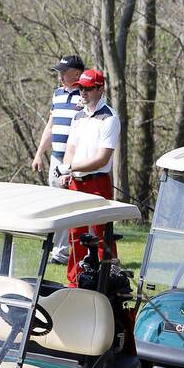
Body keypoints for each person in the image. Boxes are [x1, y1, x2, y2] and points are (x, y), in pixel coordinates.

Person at [54, 68, 119, 287]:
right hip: (76, 183)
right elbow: (71, 147)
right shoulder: (79, 115)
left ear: (100, 89)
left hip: (98, 182)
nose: (83, 92)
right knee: (76, 235)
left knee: (102, 236)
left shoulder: (109, 118)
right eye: (81, 87)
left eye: (89, 88)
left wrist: (69, 167)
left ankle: (108, 281)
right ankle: (75, 282)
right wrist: (66, 169)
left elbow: (102, 159)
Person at [32, 55, 85, 265]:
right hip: (57, 158)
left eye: (64, 73)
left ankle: (76, 252)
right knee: (57, 204)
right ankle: (60, 252)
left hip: (78, 161)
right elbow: (51, 125)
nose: (61, 77)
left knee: (75, 206)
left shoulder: (86, 95)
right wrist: (39, 153)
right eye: (59, 73)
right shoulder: (57, 94)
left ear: (77, 74)